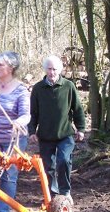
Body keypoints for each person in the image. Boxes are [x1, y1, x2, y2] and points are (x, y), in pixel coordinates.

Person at [28, 55, 86, 202]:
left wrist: (80, 129)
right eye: (49, 69)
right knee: (48, 168)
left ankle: (65, 191)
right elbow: (33, 113)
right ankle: (53, 195)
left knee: (64, 160)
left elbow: (77, 109)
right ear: (45, 69)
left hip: (65, 134)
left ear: (59, 70)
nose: (52, 72)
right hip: (46, 135)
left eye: (54, 69)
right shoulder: (38, 88)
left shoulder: (68, 86)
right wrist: (32, 131)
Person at [0, 52, 31, 212]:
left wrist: (19, 122)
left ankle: (4, 210)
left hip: (15, 139)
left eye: (1, 65)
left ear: (11, 68)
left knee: (9, 175)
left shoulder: (21, 90)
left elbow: (26, 115)